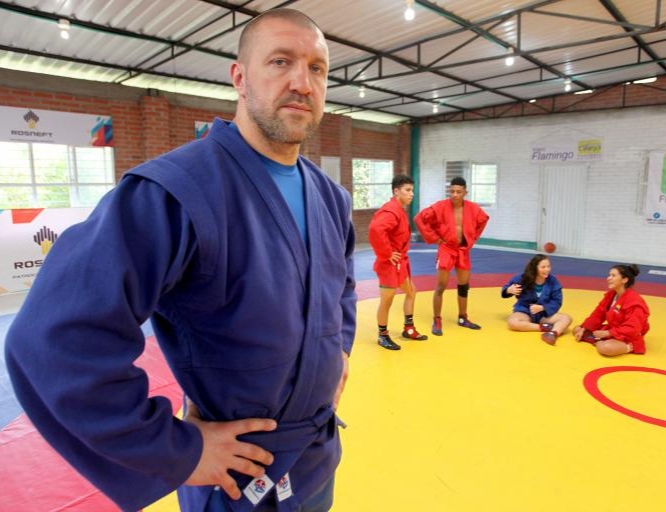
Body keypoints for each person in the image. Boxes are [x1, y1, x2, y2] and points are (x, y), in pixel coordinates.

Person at [5, 9, 357, 512]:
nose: (302, 82)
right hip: (234, 475)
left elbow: (341, 284)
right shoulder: (175, 191)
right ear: (240, 77)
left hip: (316, 457)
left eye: (317, 68)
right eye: (281, 62)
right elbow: (53, 340)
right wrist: (178, 450)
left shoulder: (330, 197)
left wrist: (340, 349)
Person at [414, 176, 489, 336]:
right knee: (441, 286)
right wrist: (434, 238)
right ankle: (437, 319)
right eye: (452, 191)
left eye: (458, 192)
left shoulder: (473, 208)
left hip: (462, 250)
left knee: (463, 286)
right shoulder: (440, 206)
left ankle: (463, 317)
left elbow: (483, 220)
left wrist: (472, 237)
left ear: (465, 192)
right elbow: (420, 218)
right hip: (446, 249)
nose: (455, 195)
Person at [368, 174, 427, 351]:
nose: (411, 194)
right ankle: (383, 335)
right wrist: (386, 253)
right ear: (396, 191)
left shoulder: (398, 209)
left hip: (399, 262)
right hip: (389, 265)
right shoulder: (391, 210)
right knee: (387, 301)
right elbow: (375, 230)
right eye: (407, 190)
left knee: (411, 291)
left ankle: (408, 328)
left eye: (412, 191)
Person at [573, 264, 650, 356]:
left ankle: (629, 347)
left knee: (606, 348)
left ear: (624, 280)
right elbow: (598, 313)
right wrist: (585, 328)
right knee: (577, 329)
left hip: (629, 336)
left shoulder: (635, 302)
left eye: (613, 276)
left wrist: (608, 333)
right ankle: (597, 340)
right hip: (613, 329)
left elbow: (633, 329)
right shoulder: (611, 294)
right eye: (609, 275)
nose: (608, 278)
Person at [501, 254, 572, 345]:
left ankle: (552, 333)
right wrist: (508, 290)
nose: (547, 269)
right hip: (525, 312)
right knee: (512, 322)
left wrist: (543, 307)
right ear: (535, 268)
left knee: (566, 318)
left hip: (544, 315)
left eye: (548, 266)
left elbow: (557, 301)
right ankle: (543, 327)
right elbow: (505, 291)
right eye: (543, 267)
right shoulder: (522, 278)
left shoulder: (553, 281)